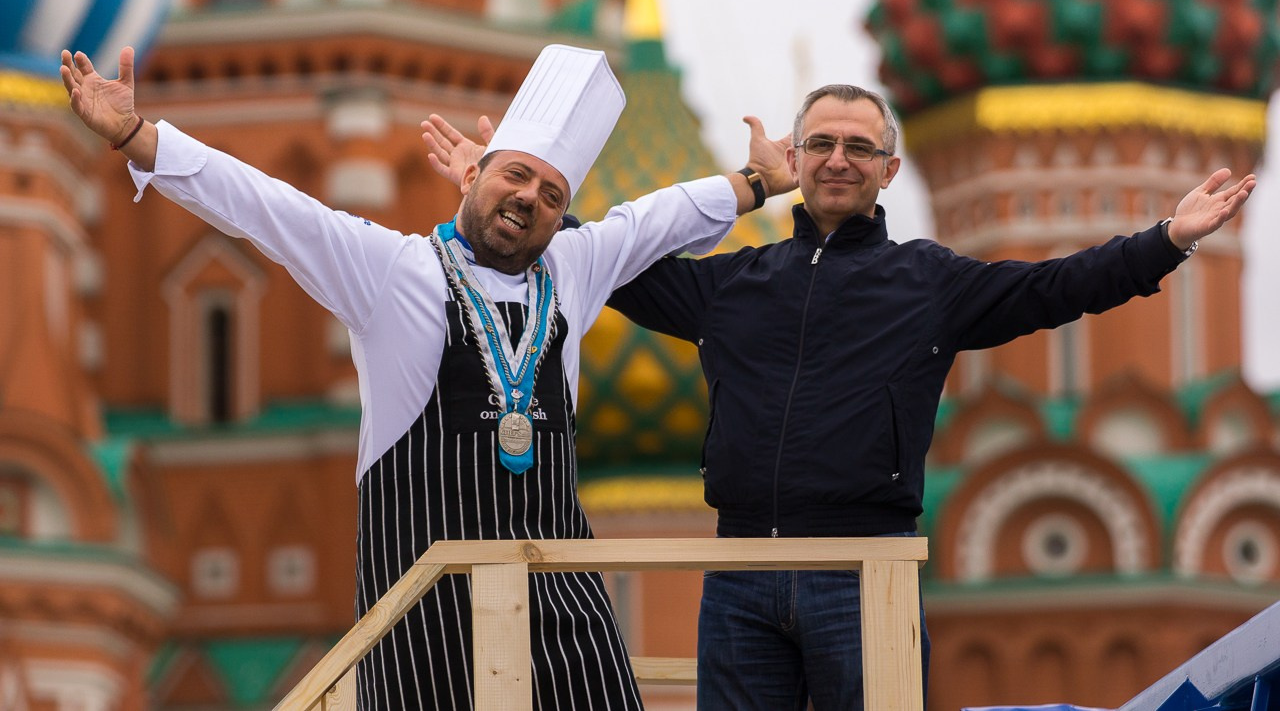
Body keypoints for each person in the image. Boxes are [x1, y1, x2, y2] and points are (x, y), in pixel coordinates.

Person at [427, 83, 1255, 710]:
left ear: (888, 170)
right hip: (741, 568)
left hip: (864, 569)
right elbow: (599, 259)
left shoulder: (929, 282)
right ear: (794, 158)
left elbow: (1057, 286)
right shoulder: (735, 284)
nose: (837, 159)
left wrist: (1167, 241)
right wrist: (500, 189)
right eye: (820, 142)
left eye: (859, 148)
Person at [59, 44, 782, 711]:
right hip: (422, 613)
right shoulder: (392, 271)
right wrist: (136, 136)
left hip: (564, 613)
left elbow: (656, 217)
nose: (531, 197)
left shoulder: (573, 269)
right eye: (516, 174)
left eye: (553, 194)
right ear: (475, 175)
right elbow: (267, 206)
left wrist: (755, 182)